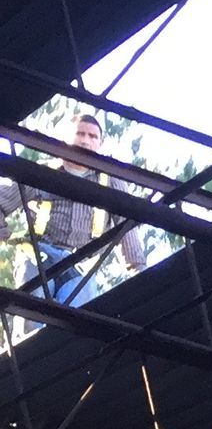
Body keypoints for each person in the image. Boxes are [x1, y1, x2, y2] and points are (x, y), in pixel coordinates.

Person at [0, 108, 148, 307]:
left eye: (92, 136)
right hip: (38, 253)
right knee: (32, 312)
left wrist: (140, 272)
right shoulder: (42, 173)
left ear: (100, 143)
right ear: (66, 138)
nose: (85, 140)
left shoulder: (110, 182)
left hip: (80, 264)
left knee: (74, 325)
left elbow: (126, 226)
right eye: (80, 133)